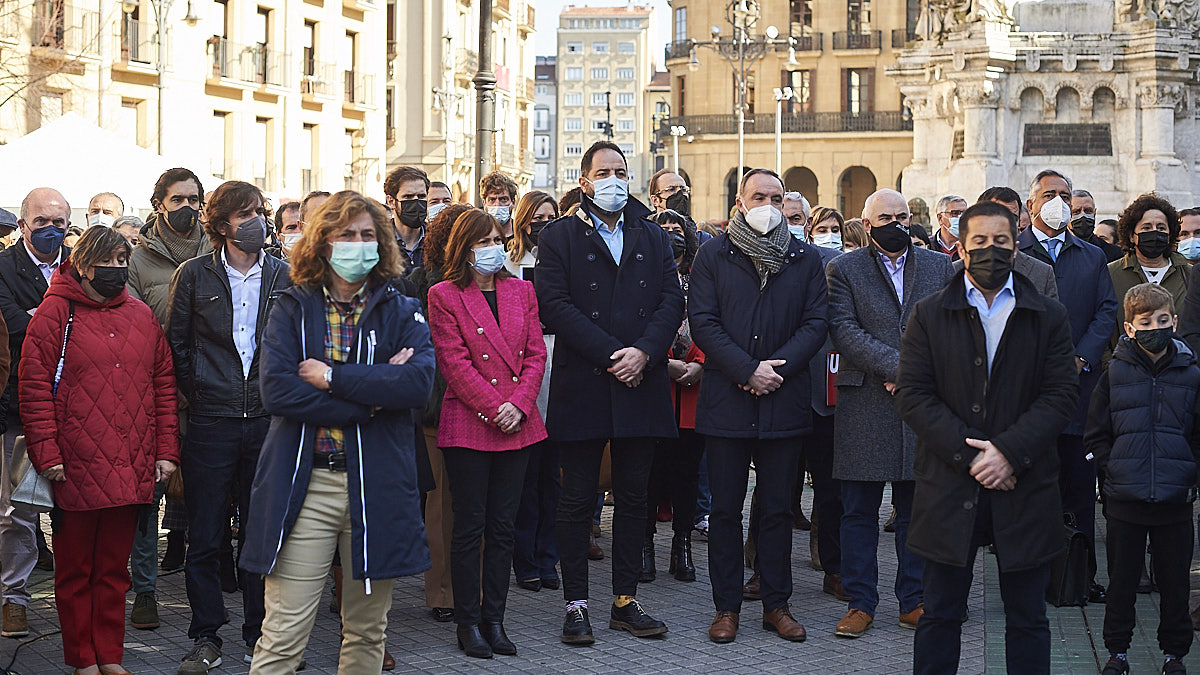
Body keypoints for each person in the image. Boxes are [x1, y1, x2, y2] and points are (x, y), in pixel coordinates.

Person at [242, 190, 435, 674]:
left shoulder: (400, 306)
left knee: (368, 632)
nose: (358, 243)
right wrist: (371, 402)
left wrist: (333, 379)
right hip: (304, 486)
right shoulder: (292, 305)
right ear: (322, 242)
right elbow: (279, 393)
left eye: (368, 234)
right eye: (346, 234)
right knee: (284, 631)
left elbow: (419, 383)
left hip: (378, 486)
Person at [897, 200, 1079, 674]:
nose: (990, 251)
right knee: (939, 614)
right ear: (959, 247)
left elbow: (1061, 395)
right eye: (979, 242)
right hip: (948, 483)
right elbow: (914, 395)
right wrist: (972, 454)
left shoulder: (1048, 315)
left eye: (1001, 242)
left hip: (1025, 482)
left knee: (1027, 618)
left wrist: (1009, 454)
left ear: (1016, 247)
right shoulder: (929, 314)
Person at [535, 140, 684, 645]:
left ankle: (624, 598)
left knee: (635, 497)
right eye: (604, 171)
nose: (614, 179)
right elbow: (554, 306)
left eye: (621, 170)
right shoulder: (558, 237)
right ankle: (576, 602)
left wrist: (644, 353)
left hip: (642, 380)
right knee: (576, 499)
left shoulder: (652, 234)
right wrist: (612, 354)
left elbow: (670, 300)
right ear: (584, 180)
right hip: (587, 381)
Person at [22, 225, 180, 675]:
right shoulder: (55, 313)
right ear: (83, 265)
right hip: (74, 463)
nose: (115, 270)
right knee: (75, 573)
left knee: (114, 571)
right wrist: (46, 454)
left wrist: (166, 450)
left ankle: (109, 656)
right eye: (106, 262)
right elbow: (33, 387)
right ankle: (81, 659)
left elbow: (163, 384)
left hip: (130, 462)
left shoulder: (139, 314)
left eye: (121, 262)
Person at [688, 169, 827, 644]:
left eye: (776, 196)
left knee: (776, 510)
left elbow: (815, 323)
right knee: (725, 511)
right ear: (741, 203)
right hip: (728, 400)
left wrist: (776, 371)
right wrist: (747, 369)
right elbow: (704, 323)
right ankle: (726, 608)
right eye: (758, 196)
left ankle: (777, 604)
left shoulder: (805, 258)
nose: (767, 203)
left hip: (783, 401)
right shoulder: (714, 255)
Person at [166, 181, 292, 672]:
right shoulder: (193, 275)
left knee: (261, 536)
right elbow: (175, 343)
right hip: (211, 420)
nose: (256, 221)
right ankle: (205, 636)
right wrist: (198, 394)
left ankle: (260, 635)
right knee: (206, 534)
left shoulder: (284, 274)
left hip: (266, 420)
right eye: (244, 214)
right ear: (220, 224)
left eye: (259, 212)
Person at [825, 188, 954, 639]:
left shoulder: (939, 265)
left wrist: (916, 373)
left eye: (902, 215)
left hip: (921, 402)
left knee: (914, 508)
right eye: (885, 216)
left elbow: (950, 323)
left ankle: (913, 600)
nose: (895, 223)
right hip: (865, 401)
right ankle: (861, 603)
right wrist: (897, 368)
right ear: (866, 222)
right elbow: (843, 328)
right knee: (858, 510)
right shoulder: (843, 268)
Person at [427, 209, 548, 658]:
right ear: (464, 248)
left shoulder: (522, 290)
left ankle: (495, 619)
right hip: (469, 423)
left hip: (518, 422)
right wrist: (496, 407)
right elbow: (453, 362)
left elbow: (536, 353)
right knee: (469, 527)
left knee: (503, 527)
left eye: (499, 238)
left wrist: (517, 405)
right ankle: (468, 621)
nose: (494, 247)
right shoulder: (444, 294)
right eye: (484, 241)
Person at [1087, 283, 1199, 675]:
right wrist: (1110, 467)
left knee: (1175, 585)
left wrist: (1189, 471)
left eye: (1163, 320)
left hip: (1174, 500)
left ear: (1175, 322)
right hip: (1126, 499)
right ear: (1129, 328)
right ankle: (1117, 652)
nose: (1156, 327)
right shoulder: (1114, 373)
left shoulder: (1191, 374)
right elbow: (1098, 431)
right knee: (1121, 584)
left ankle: (1175, 654)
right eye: (1146, 321)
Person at [1017, 168, 1118, 603]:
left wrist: (1083, 356)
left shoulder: (1091, 255)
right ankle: (1027, 579)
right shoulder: (1014, 252)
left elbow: (1106, 310)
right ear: (1031, 204)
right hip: (1027, 395)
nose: (1058, 202)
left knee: (1079, 486)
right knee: (1031, 490)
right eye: (1049, 194)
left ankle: (1080, 577)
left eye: (1065, 194)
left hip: (1080, 392)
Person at [126, 167, 212, 627]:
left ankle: (208, 592)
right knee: (147, 498)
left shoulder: (216, 251)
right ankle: (144, 590)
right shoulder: (137, 261)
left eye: (192, 199)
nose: (186, 208)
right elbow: (136, 332)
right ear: (159, 203)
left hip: (206, 395)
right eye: (176, 199)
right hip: (155, 395)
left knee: (205, 496)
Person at [0, 187, 71, 639]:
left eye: (60, 222)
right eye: (42, 221)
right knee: (16, 510)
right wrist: (56, 321)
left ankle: (73, 600)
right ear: (23, 224)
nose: (52, 230)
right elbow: (9, 324)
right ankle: (14, 598)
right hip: (18, 408)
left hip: (76, 406)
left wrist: (36, 318)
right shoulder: (3, 268)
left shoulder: (80, 268)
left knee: (75, 508)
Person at [408, 203, 472, 625]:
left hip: (483, 408)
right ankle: (443, 592)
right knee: (439, 505)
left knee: (473, 505)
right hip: (437, 406)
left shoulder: (491, 283)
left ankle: (477, 588)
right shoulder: (419, 284)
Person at [640, 209, 704, 585]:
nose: (669, 234)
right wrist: (663, 363)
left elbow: (714, 321)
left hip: (695, 386)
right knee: (650, 471)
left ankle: (682, 544)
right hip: (654, 382)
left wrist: (700, 363)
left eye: (675, 229)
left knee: (687, 473)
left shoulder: (702, 276)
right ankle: (644, 545)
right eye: (661, 229)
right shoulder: (642, 275)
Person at [506, 192, 562, 592]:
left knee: (553, 480)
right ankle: (523, 558)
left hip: (560, 371)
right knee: (524, 479)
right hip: (522, 375)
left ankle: (548, 557)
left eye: (551, 216)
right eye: (537, 217)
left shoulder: (563, 261)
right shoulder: (507, 264)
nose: (543, 223)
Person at [1107, 194, 1189, 354]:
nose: (1154, 233)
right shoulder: (1110, 274)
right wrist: (1111, 366)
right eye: (1146, 228)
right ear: (1132, 235)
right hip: (1125, 371)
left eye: (1161, 228)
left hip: (1180, 370)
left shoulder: (1188, 274)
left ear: (1170, 234)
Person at [383, 165, 430, 268]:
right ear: (391, 201)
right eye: (408, 197)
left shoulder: (439, 241)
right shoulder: (380, 241)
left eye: (421, 196)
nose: (416, 201)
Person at [1071, 189, 1123, 262]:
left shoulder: (1114, 253)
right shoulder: (1056, 249)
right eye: (1076, 212)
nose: (1083, 216)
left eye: (1088, 211)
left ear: (1094, 213)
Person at [480, 172, 519, 239]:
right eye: (492, 200)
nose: (497, 204)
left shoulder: (522, 234)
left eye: (503, 199)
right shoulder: (477, 234)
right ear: (484, 203)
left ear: (513, 202)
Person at [931, 195, 967, 259]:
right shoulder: (927, 245)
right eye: (955, 213)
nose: (961, 218)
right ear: (940, 218)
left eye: (964, 213)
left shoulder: (971, 245)